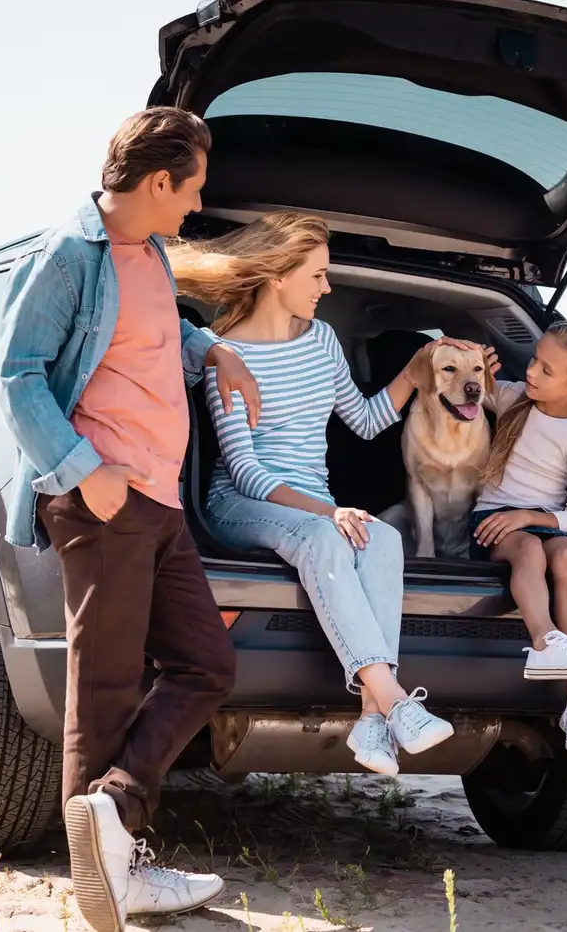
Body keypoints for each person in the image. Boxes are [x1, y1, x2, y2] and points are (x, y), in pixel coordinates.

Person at [0, 107, 260, 932]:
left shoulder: (148, 252)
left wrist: (211, 348)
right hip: (104, 498)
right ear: (158, 181)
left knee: (206, 663)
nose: (198, 205)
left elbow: (153, 331)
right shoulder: (69, 255)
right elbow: (16, 373)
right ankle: (112, 875)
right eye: (194, 189)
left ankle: (111, 814)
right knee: (106, 686)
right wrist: (84, 470)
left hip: (160, 499)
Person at [169, 212, 495, 778]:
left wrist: (418, 370)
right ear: (278, 277)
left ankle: (371, 720)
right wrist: (330, 510)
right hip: (241, 505)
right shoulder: (226, 354)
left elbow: (366, 421)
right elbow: (245, 472)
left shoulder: (321, 340)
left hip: (317, 504)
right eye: (317, 275)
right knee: (325, 536)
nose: (327, 287)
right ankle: (395, 701)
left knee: (384, 539)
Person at [470, 322, 567, 757]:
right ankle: (544, 643)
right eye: (535, 360)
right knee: (528, 547)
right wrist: (477, 364)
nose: (531, 372)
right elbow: (467, 388)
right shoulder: (512, 398)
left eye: (547, 370)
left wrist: (529, 516)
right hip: (494, 520)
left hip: (542, 521)